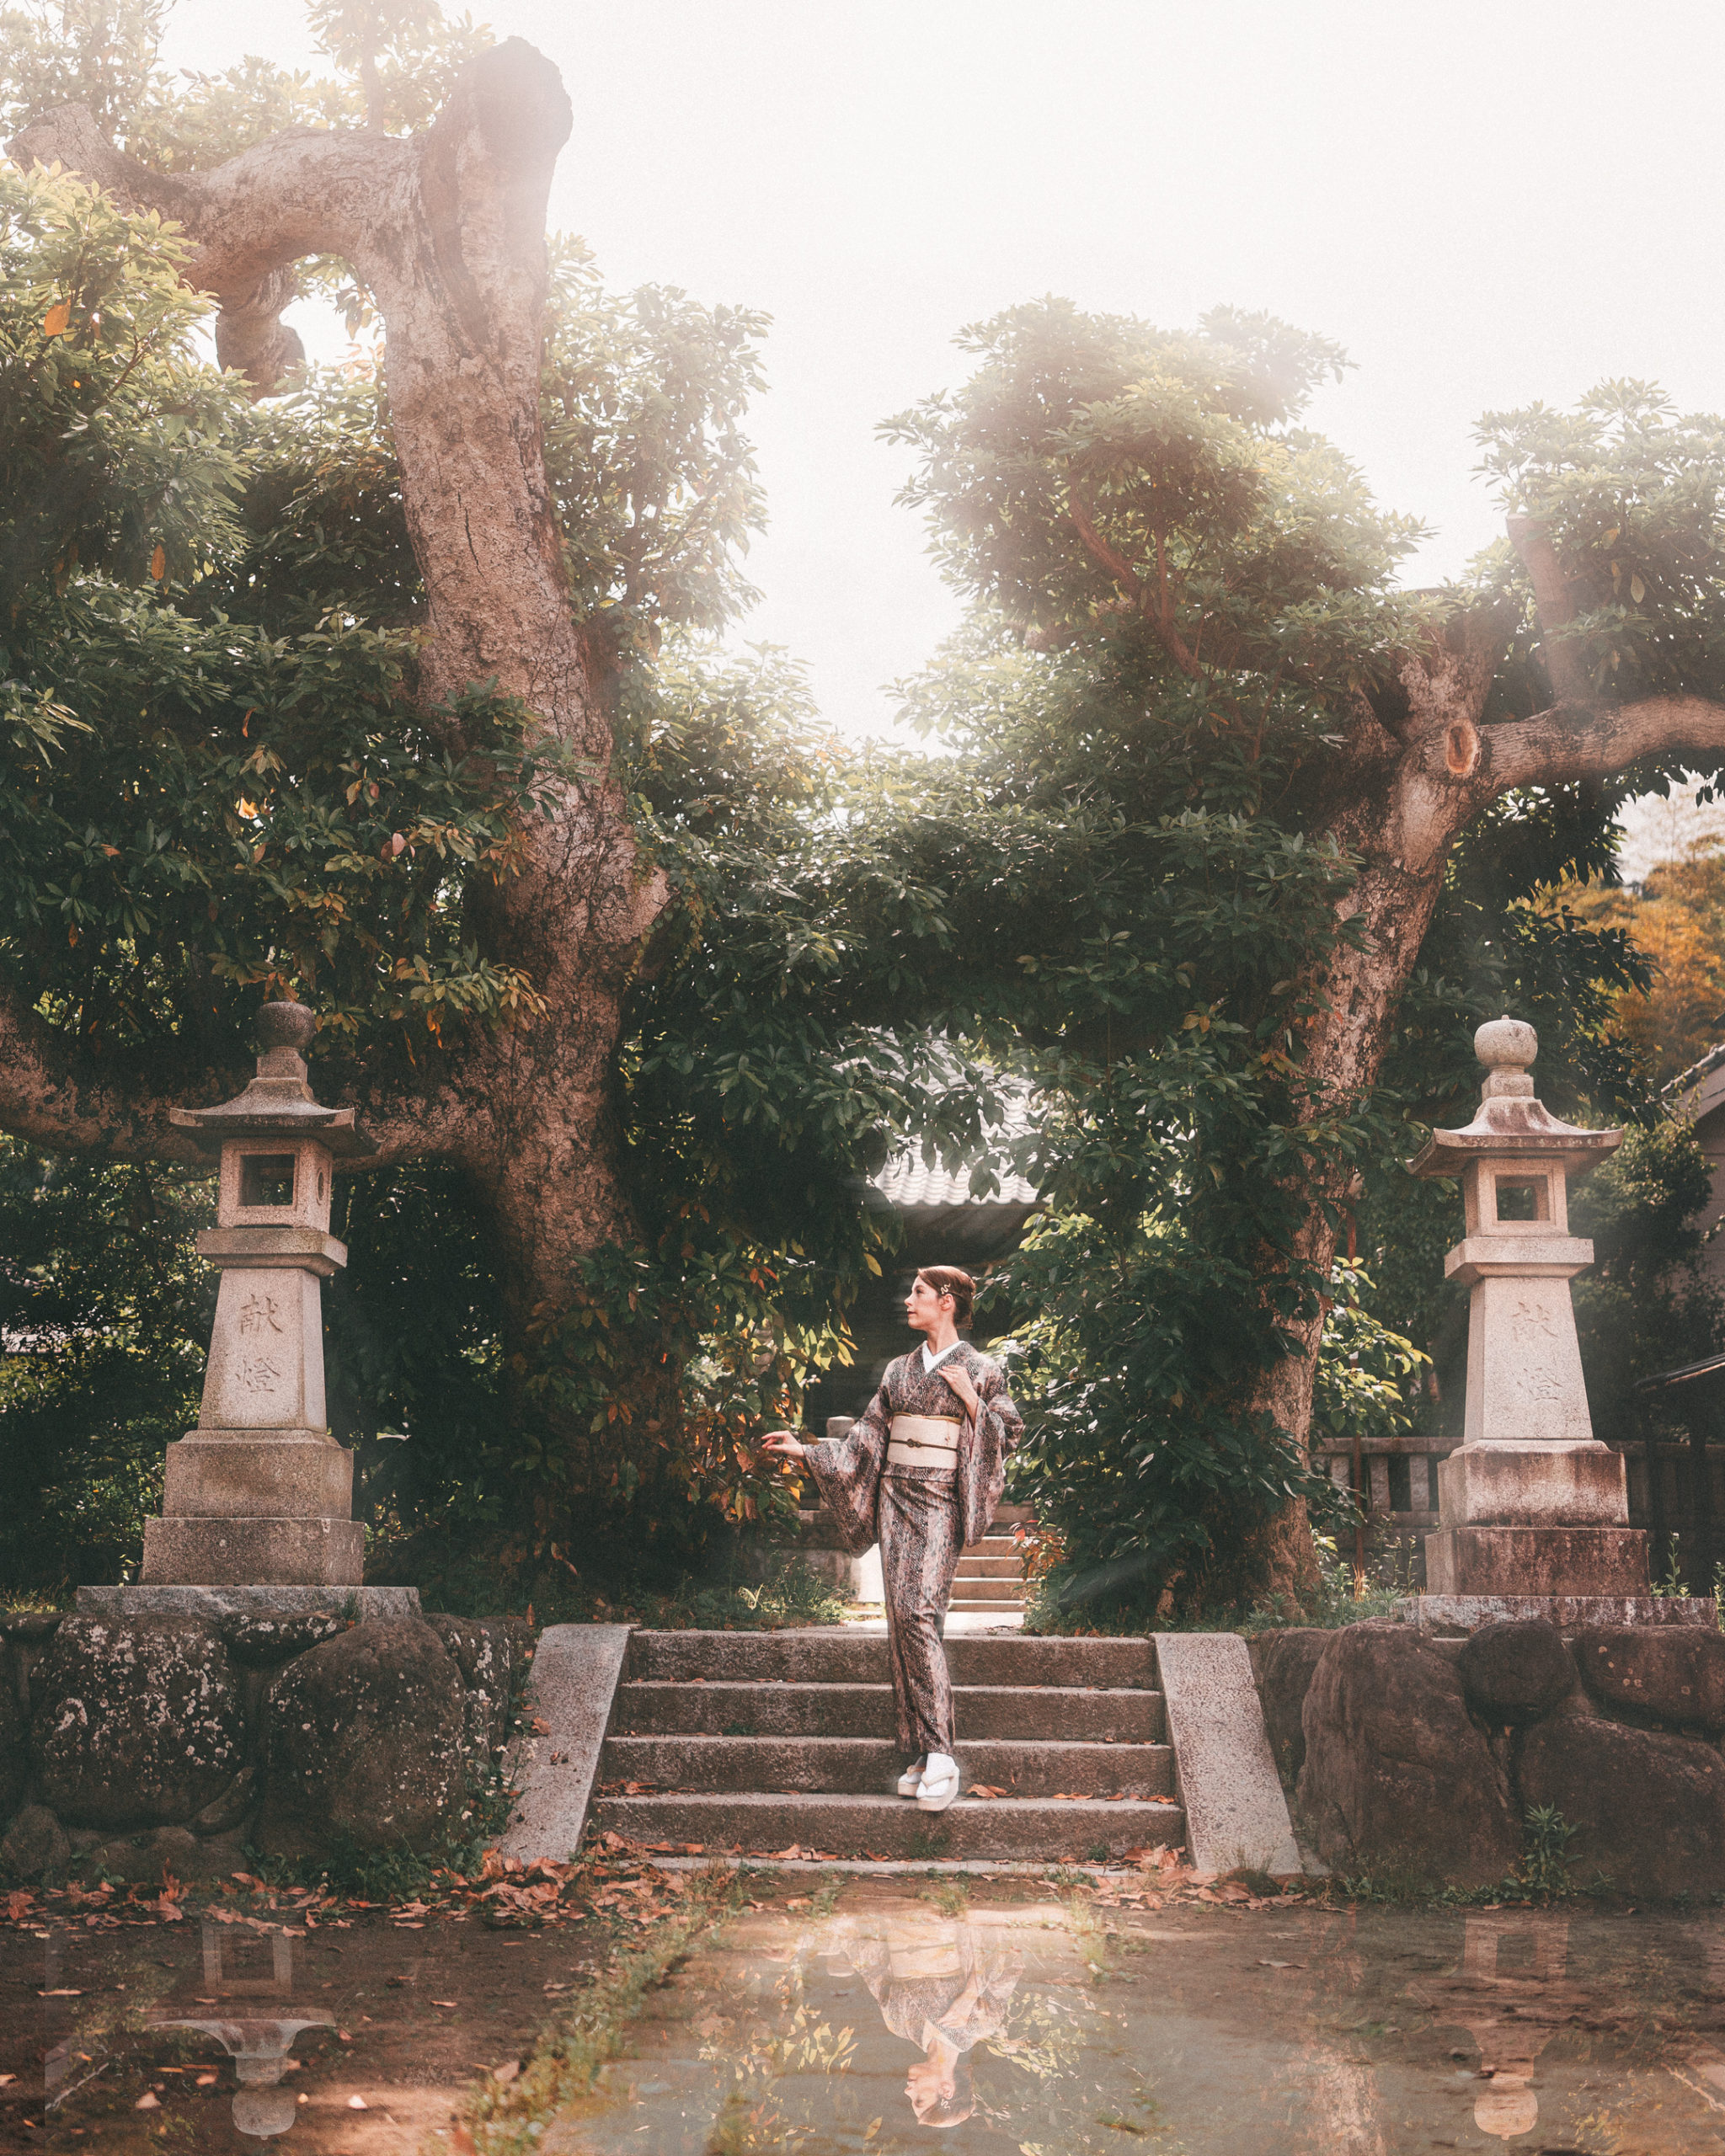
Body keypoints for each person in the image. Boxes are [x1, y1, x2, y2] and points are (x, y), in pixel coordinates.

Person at [763, 1265, 1023, 1812]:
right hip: (894, 1500)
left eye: (919, 1293)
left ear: (947, 1301)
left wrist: (971, 1401)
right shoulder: (898, 1370)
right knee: (901, 1618)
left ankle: (943, 1755)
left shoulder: (980, 1368)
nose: (909, 1300)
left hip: (940, 1502)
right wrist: (805, 1449)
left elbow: (1009, 1433)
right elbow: (865, 1441)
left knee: (919, 1616)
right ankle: (922, 1753)